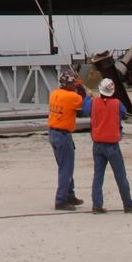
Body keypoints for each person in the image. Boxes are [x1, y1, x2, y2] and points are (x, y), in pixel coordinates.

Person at [82, 77, 132, 214]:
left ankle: (97, 205)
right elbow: (123, 114)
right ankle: (128, 204)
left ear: (100, 90)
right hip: (112, 146)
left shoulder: (93, 103)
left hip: (97, 145)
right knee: (120, 175)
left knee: (98, 176)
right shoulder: (117, 104)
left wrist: (88, 97)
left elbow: (85, 108)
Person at [47, 70, 86, 209]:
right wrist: (81, 87)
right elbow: (82, 100)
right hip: (63, 135)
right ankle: (61, 200)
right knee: (66, 168)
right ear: (68, 83)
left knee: (65, 167)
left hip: (53, 133)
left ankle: (70, 195)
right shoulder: (71, 96)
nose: (75, 85)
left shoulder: (54, 94)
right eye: (73, 83)